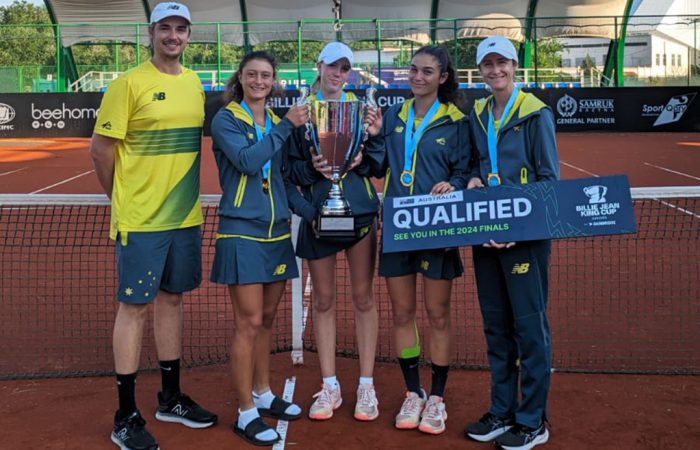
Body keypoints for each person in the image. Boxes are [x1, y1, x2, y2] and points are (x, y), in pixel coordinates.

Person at [90, 3, 217, 450]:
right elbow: (101, 150)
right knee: (135, 308)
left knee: (171, 302)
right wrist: (121, 198)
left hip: (184, 217)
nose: (174, 36)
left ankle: (170, 397)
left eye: (181, 29)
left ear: (188, 36)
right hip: (142, 220)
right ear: (151, 32)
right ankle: (125, 416)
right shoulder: (127, 85)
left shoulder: (194, 83)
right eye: (166, 27)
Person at [209, 50, 312, 447]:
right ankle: (245, 412)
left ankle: (264, 392)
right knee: (248, 322)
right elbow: (250, 162)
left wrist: (311, 211)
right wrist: (287, 126)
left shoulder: (270, 120)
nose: (259, 81)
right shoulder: (226, 119)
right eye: (252, 74)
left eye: (266, 75)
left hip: (276, 233)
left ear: (273, 81)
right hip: (242, 233)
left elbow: (282, 178)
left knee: (267, 319)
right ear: (241, 78)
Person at [463, 35, 559, 450]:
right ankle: (502, 410)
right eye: (488, 64)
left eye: (502, 63)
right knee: (496, 326)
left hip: (524, 239)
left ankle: (532, 419)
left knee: (528, 328)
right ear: (481, 70)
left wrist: (514, 230)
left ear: (514, 67)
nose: (495, 71)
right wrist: (470, 177)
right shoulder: (478, 113)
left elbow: (548, 180)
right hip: (485, 236)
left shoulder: (536, 114)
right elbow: (472, 162)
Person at [370, 45, 470, 435]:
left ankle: (438, 398)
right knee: (401, 313)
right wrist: (376, 136)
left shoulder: (457, 121)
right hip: (399, 224)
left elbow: (465, 169)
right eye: (413, 70)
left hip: (438, 226)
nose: (417, 77)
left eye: (427, 71)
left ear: (443, 77)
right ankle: (413, 392)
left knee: (438, 313)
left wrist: (456, 184)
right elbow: (379, 167)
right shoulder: (395, 115)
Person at [287, 41, 383, 422]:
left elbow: (379, 164)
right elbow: (289, 171)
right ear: (320, 65)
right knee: (323, 301)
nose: (338, 74)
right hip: (317, 218)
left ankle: (365, 385)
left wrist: (366, 151)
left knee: (363, 299)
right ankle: (329, 385)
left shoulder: (364, 111)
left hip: (359, 214)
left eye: (345, 68)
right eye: (332, 66)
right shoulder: (300, 112)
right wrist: (313, 167)